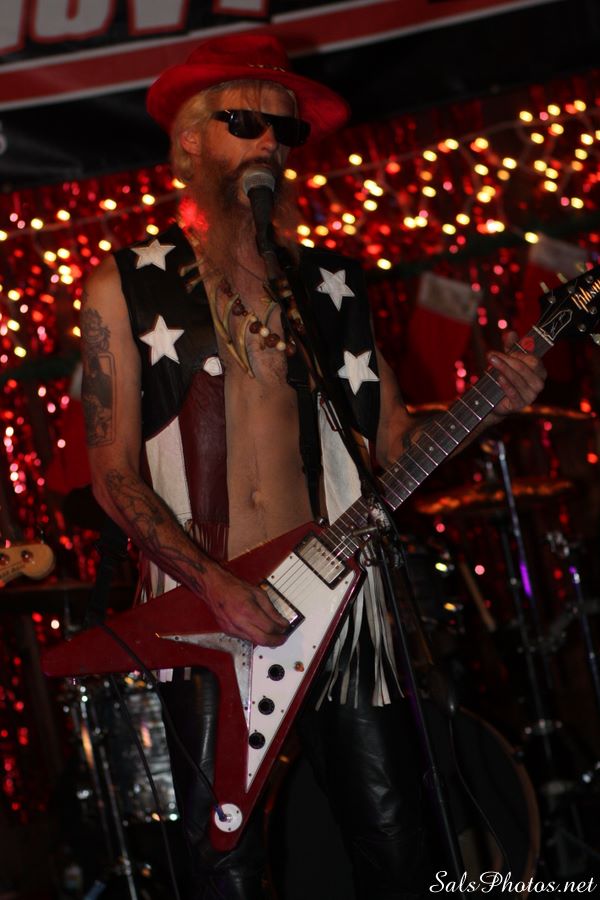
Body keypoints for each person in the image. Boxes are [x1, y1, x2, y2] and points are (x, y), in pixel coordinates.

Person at [80, 32, 546, 900]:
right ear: (190, 141)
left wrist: (489, 404)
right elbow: (112, 474)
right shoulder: (127, 286)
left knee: (395, 836)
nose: (269, 143)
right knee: (225, 864)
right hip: (205, 611)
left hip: (341, 600)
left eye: (285, 130)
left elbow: (393, 444)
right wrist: (218, 585)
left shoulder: (328, 287)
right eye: (246, 122)